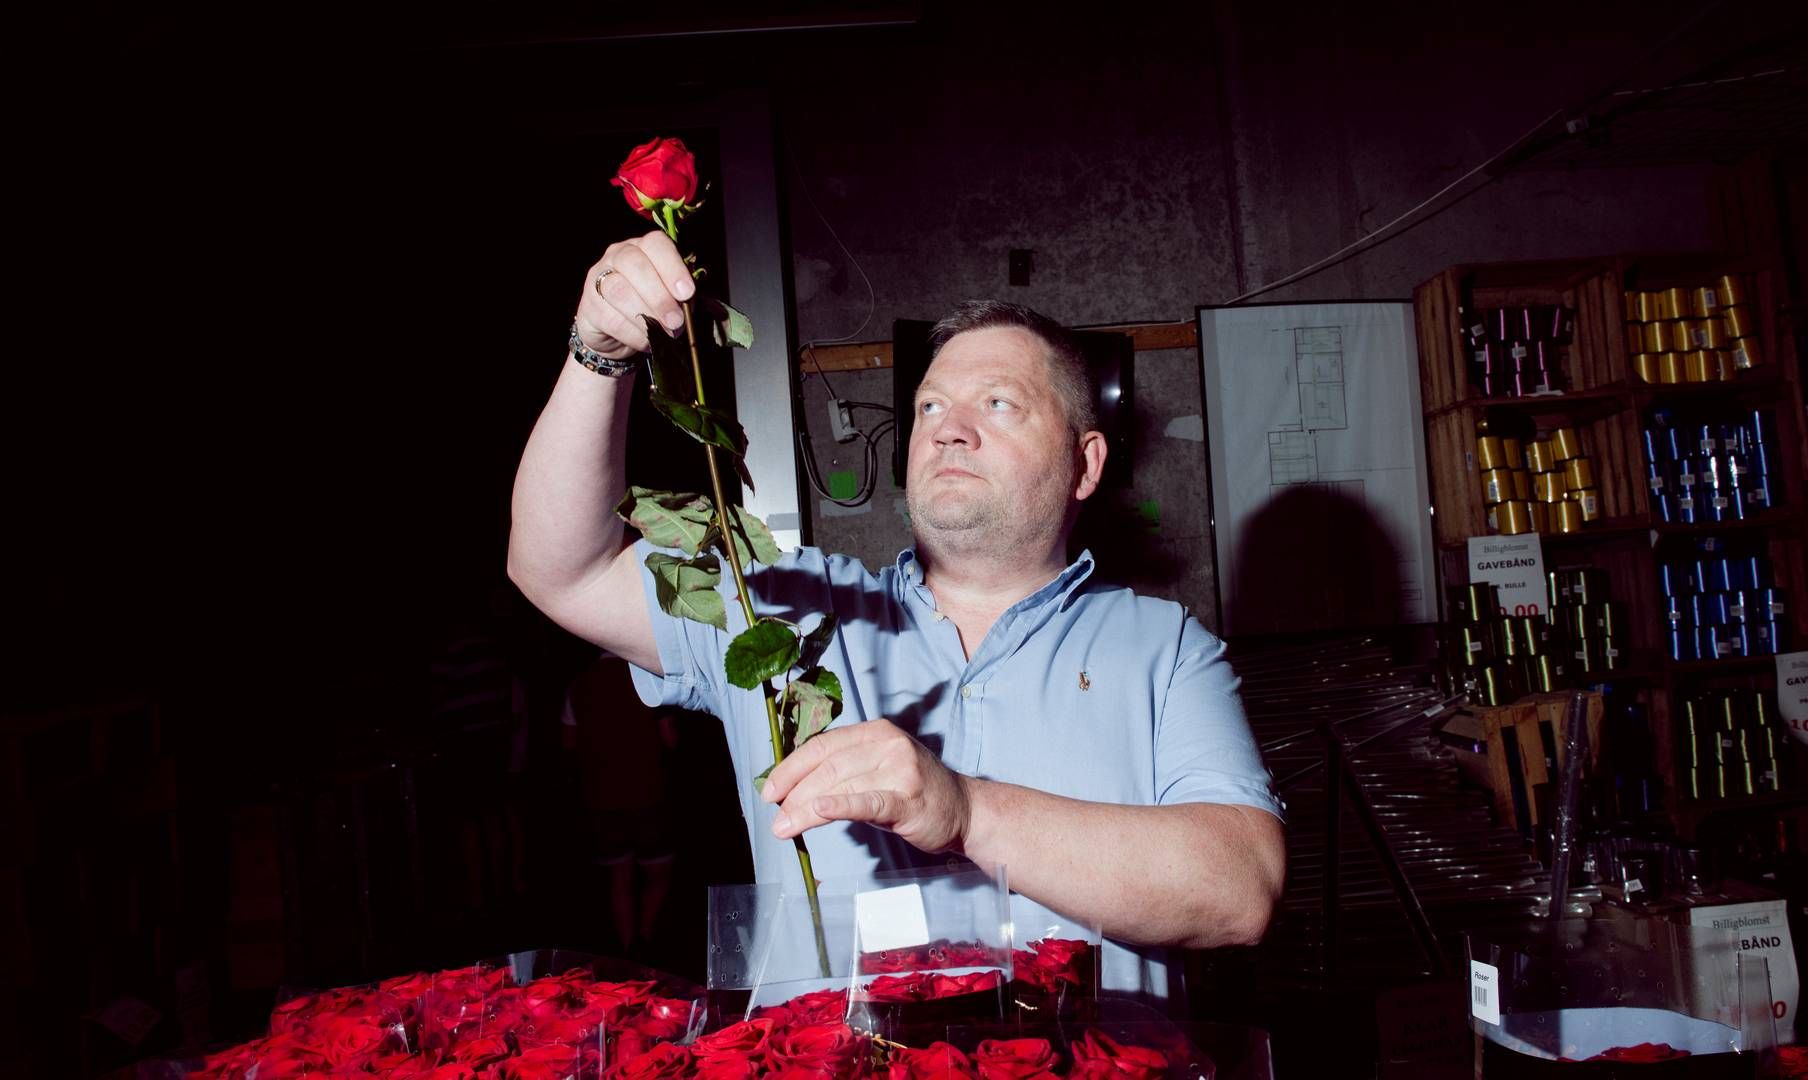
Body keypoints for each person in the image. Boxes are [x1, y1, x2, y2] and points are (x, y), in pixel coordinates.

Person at [508, 231, 1286, 1001]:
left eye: (999, 403)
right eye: (929, 406)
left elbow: (1241, 890)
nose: (948, 426)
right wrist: (599, 352)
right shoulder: (782, 610)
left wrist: (966, 809)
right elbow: (562, 573)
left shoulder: (1168, 649)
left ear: (1085, 464)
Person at [561, 650, 680, 959]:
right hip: (647, 792)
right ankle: (644, 937)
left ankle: (628, 947)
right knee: (659, 872)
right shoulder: (648, 679)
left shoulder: (578, 684)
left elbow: (568, 742)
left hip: (602, 798)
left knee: (619, 877)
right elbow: (670, 738)